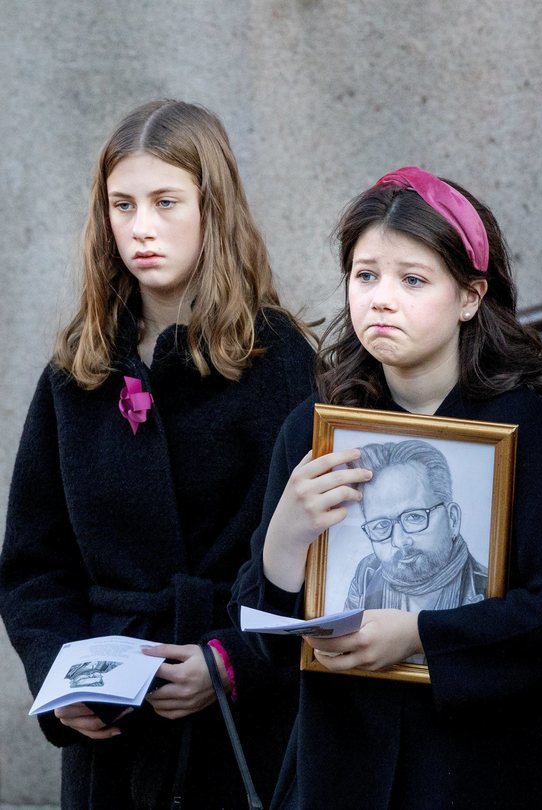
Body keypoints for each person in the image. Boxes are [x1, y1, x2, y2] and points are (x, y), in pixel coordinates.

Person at [230, 166, 542, 809]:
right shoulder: (314, 430)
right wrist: (284, 542)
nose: (381, 298)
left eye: (413, 280)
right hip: (340, 771)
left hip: (484, 773)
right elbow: (264, 644)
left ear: (469, 297)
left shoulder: (522, 429)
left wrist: (420, 634)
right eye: (365, 275)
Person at [0, 100, 315, 808]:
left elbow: (312, 557)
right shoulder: (77, 369)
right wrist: (57, 675)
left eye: (166, 201)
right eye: (123, 204)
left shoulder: (275, 358)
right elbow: (32, 562)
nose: (141, 227)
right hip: (111, 736)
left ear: (213, 207)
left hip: (237, 733)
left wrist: (231, 661)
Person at [345, 439, 488, 611]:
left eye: (414, 517)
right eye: (382, 525)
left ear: (452, 519)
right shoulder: (367, 574)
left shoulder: (490, 590)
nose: (399, 541)